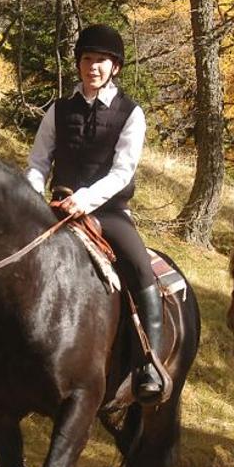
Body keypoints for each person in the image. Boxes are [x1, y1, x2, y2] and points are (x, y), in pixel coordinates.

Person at [25, 23, 166, 402]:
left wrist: (84, 200)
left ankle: (148, 364)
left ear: (115, 66)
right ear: (79, 63)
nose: (93, 67)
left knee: (139, 266)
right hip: (55, 208)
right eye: (87, 59)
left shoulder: (130, 114)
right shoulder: (58, 109)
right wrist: (32, 195)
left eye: (102, 60)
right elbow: (38, 161)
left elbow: (123, 172)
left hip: (109, 212)